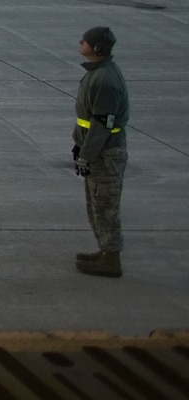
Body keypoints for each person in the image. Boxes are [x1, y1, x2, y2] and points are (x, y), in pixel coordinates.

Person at [73, 25, 129, 277]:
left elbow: (102, 123)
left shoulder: (104, 80)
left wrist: (87, 154)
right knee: (96, 203)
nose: (80, 42)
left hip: (104, 154)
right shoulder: (98, 74)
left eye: (85, 40)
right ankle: (106, 251)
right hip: (97, 150)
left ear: (97, 48)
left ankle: (111, 259)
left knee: (105, 206)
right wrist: (80, 145)